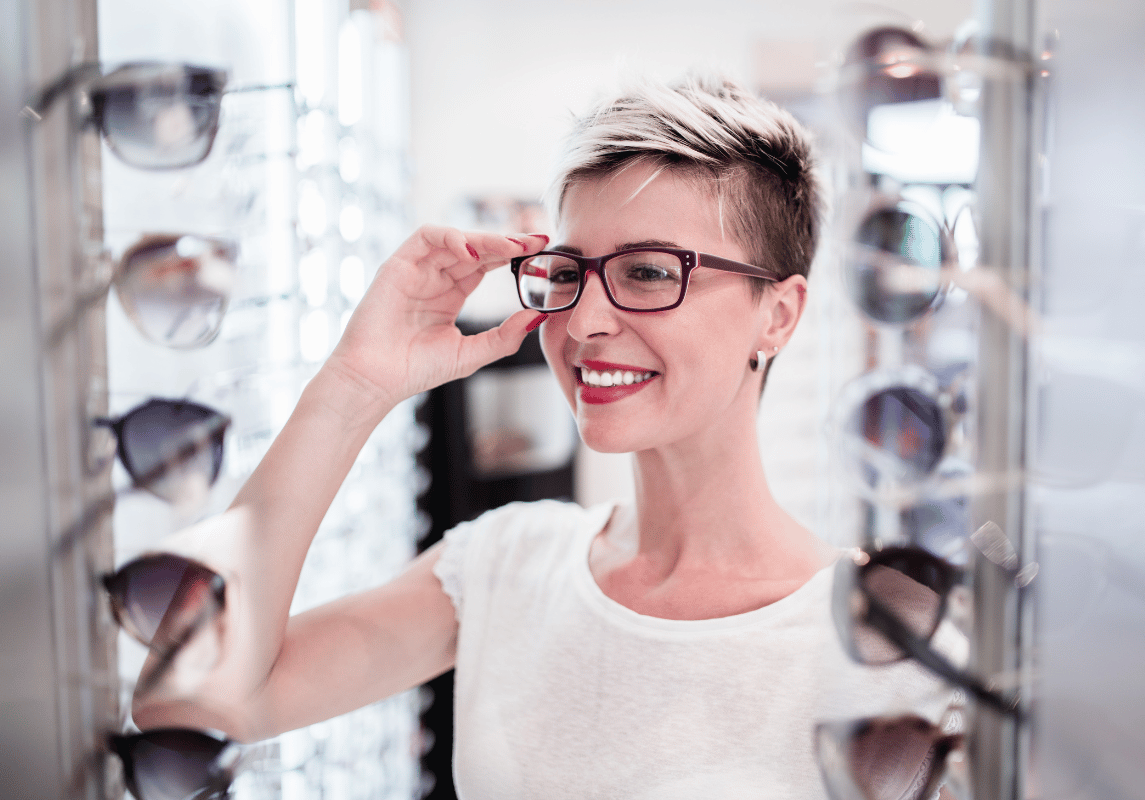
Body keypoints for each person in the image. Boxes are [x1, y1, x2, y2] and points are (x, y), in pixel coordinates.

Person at [133, 74, 950, 799]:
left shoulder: (887, 645)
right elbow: (189, 697)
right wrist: (353, 385)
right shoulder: (502, 564)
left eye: (650, 272)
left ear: (778, 313)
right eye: (569, 272)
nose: (585, 322)